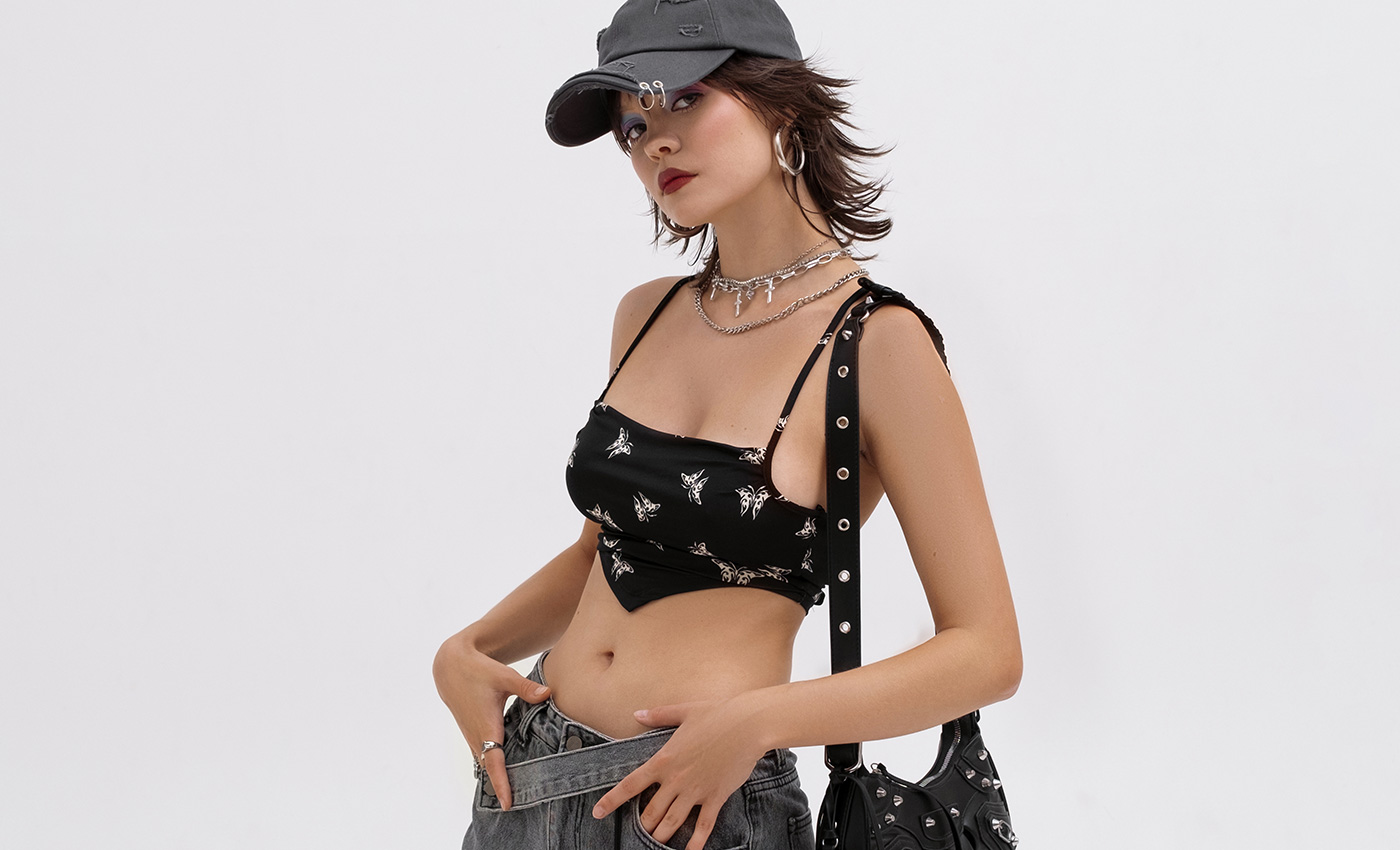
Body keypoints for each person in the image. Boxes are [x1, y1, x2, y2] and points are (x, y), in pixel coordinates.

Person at [433, 1, 1022, 848]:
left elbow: (988, 652)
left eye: (684, 98)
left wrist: (758, 722)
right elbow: (603, 550)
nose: (653, 143)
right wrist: (469, 646)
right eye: (632, 126)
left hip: (694, 803)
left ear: (780, 100)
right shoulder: (645, 315)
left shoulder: (877, 344)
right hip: (527, 780)